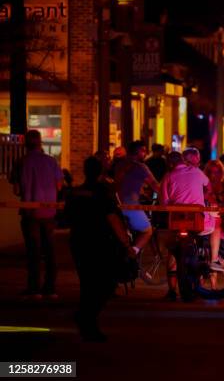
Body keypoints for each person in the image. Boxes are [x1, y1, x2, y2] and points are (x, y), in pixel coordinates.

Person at [65, 157, 134, 342]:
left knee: (87, 283)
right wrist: (126, 245)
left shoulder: (76, 192)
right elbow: (112, 218)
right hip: (99, 243)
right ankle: (87, 320)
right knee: (105, 284)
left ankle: (86, 320)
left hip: (78, 242)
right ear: (101, 171)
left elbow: (65, 217)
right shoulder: (102, 192)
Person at [9, 130, 63, 300]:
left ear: (26, 144)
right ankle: (50, 288)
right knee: (49, 251)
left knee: (33, 251)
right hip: (49, 211)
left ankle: (34, 288)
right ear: (40, 142)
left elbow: (17, 189)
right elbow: (59, 186)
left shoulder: (20, 162)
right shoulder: (51, 161)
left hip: (30, 212)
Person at [159, 150, 215, 301]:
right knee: (198, 247)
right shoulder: (197, 172)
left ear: (170, 164)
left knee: (172, 252)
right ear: (183, 161)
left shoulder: (169, 176)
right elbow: (209, 186)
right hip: (196, 220)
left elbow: (163, 202)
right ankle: (199, 283)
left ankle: (172, 291)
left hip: (177, 220)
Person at [114, 140, 160, 256]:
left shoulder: (119, 164)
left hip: (115, 205)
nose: (145, 154)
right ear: (139, 152)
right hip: (130, 206)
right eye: (144, 151)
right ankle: (133, 252)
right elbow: (155, 185)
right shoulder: (140, 167)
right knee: (147, 231)